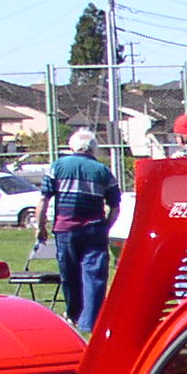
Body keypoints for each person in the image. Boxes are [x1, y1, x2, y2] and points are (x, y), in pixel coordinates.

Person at [41, 128, 120, 334]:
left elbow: (44, 199)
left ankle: (74, 314)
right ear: (93, 149)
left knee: (69, 274)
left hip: (65, 229)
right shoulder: (103, 171)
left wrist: (40, 226)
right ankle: (90, 322)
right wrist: (105, 227)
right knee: (94, 276)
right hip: (94, 230)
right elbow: (115, 206)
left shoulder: (58, 166)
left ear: (71, 146)